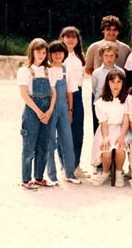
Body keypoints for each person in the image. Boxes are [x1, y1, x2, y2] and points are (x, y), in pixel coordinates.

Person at [17, 38, 56, 190]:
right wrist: (39, 112)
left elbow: (54, 93)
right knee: (29, 146)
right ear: (32, 52)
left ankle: (39, 177)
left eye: (44, 52)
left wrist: (50, 110)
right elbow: (24, 95)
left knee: (44, 145)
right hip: (32, 111)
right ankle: (26, 179)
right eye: (38, 52)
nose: (41, 55)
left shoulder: (50, 70)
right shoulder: (24, 70)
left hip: (47, 111)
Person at [46, 40, 81, 185]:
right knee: (50, 142)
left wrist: (70, 110)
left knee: (67, 140)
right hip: (50, 108)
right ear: (50, 54)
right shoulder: (46, 70)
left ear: (64, 53)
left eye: (60, 52)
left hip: (64, 109)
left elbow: (70, 93)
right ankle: (52, 176)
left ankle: (70, 173)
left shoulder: (67, 70)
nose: (57, 54)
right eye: (54, 52)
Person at [91, 70, 129, 187]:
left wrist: (122, 136)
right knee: (106, 152)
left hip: (122, 129)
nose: (116, 85)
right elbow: (103, 123)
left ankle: (118, 173)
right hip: (106, 130)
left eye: (119, 82)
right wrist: (105, 138)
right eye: (112, 82)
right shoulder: (101, 102)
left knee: (119, 149)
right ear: (108, 83)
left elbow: (126, 120)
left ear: (123, 83)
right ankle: (105, 172)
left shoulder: (128, 100)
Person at [60, 26, 88, 178]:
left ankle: (75, 164)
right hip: (62, 95)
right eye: (67, 36)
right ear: (62, 38)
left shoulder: (79, 58)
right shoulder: (58, 56)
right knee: (63, 132)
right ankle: (64, 164)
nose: (70, 39)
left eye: (74, 37)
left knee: (78, 132)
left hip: (78, 95)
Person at [91, 42, 125, 133]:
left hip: (116, 106)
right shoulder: (96, 72)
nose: (109, 58)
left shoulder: (121, 72)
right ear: (102, 56)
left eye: (111, 55)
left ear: (116, 56)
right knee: (99, 131)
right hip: (101, 106)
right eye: (106, 55)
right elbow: (94, 89)